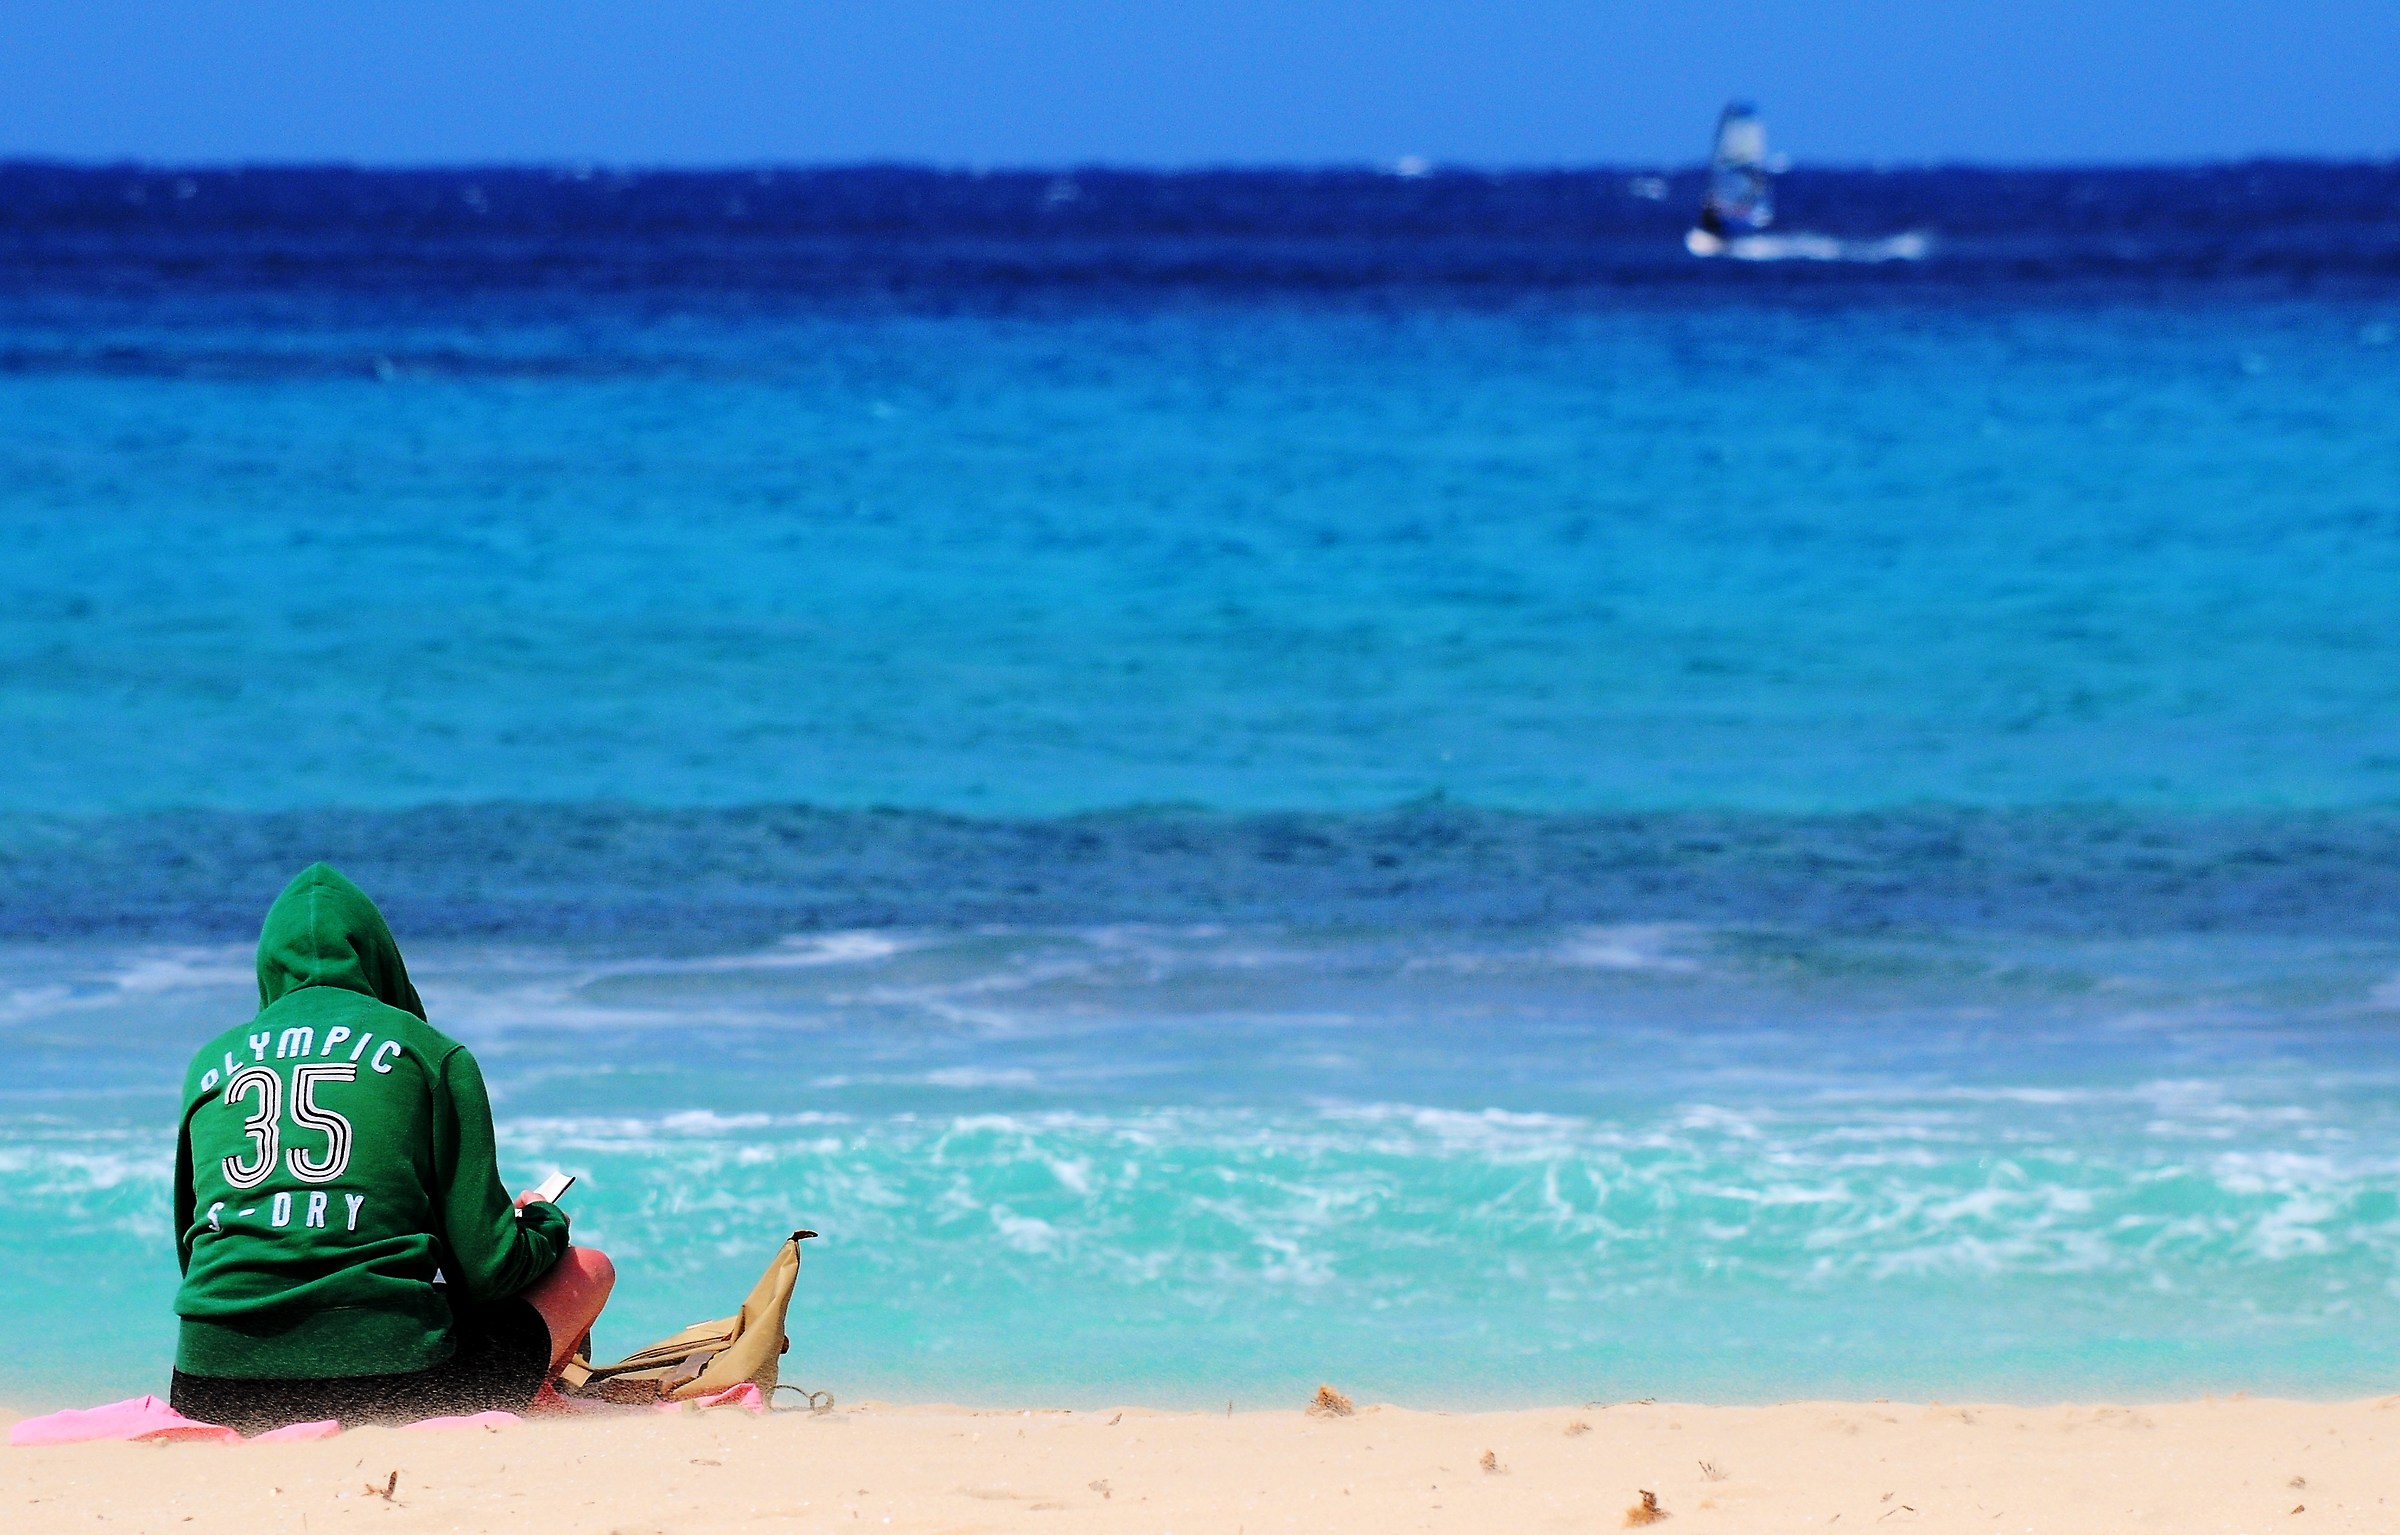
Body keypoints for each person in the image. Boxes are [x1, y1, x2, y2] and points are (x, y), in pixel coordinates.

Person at [168, 863, 613, 1432]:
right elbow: (490, 1270)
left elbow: (195, 1251)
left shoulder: (210, 1063)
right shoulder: (431, 1054)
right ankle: (536, 1391)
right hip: (390, 1391)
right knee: (591, 1268)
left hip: (211, 1390)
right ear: (380, 957)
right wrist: (543, 1223)